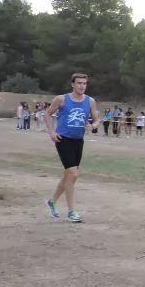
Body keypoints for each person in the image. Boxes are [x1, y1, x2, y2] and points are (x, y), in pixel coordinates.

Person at [44, 72, 100, 223]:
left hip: (78, 140)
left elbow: (96, 120)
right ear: (73, 84)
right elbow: (48, 114)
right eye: (79, 83)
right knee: (73, 174)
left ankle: (52, 202)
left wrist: (92, 126)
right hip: (63, 139)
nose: (82, 86)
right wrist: (52, 132)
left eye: (84, 83)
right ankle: (71, 211)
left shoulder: (90, 101)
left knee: (68, 175)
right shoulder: (61, 99)